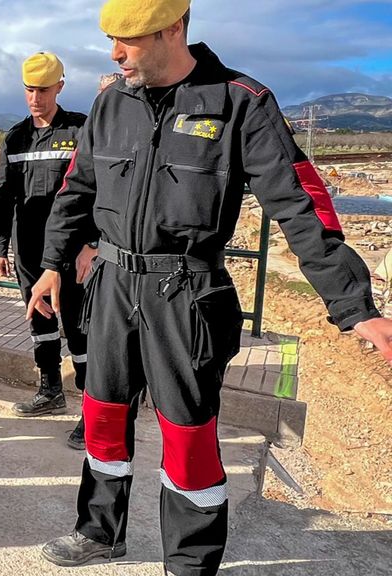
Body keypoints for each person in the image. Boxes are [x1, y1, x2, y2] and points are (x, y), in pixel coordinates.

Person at [26, 1, 392, 574]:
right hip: (113, 285)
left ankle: (191, 561)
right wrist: (52, 263)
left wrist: (353, 305)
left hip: (186, 294)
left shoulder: (241, 102)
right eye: (111, 39)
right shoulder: (109, 103)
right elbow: (77, 190)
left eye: (130, 39)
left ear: (175, 29)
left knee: (188, 435)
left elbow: (300, 205)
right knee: (101, 414)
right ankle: (100, 532)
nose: (115, 54)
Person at [0, 53, 95, 451]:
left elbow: (98, 192)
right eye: (29, 90)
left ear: (60, 88)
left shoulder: (81, 130)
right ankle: (50, 389)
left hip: (72, 253)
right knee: (40, 323)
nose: (35, 98)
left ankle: (92, 410)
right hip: (29, 251)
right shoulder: (15, 137)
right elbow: (1, 196)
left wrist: (93, 243)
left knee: (80, 332)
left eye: (43, 90)